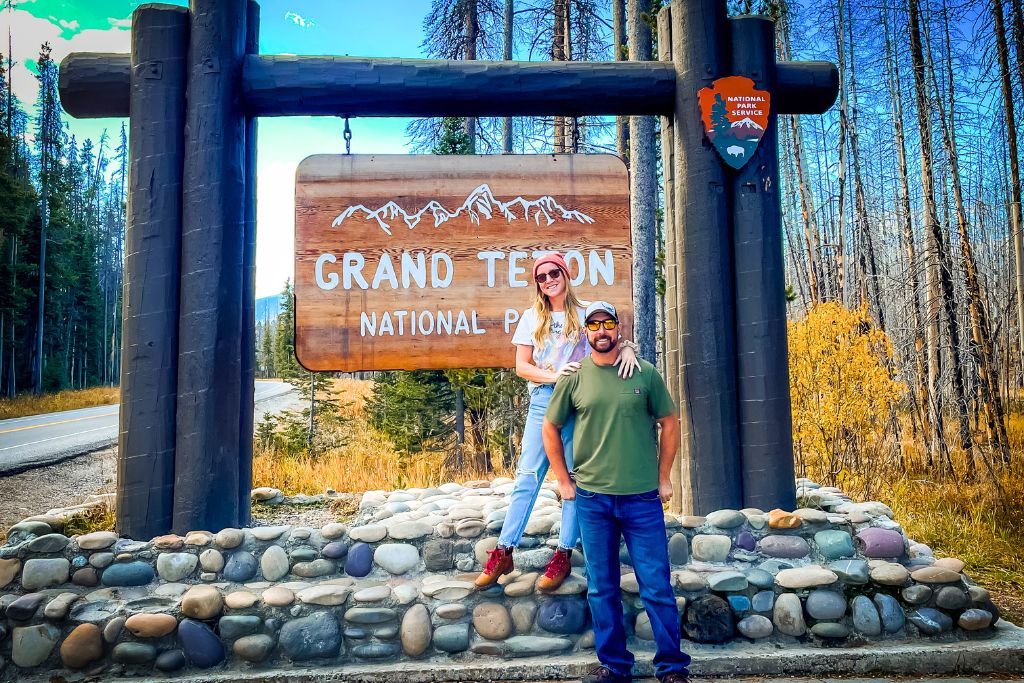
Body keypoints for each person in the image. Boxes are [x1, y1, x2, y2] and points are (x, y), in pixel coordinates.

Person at [542, 301, 690, 683]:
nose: (602, 331)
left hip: (642, 499)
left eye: (608, 323)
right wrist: (563, 479)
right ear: (586, 333)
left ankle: (671, 667)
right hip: (592, 500)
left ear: (618, 330)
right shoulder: (573, 378)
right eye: (594, 325)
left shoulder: (644, 373)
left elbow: (669, 423)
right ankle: (614, 665)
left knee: (656, 586)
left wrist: (664, 476)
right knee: (601, 586)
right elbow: (550, 428)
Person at [474, 254, 639, 591]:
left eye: (554, 272)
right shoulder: (532, 317)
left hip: (580, 401)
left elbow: (610, 335)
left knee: (574, 477)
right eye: (542, 276)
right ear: (538, 284)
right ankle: (505, 550)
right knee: (528, 475)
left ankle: (563, 553)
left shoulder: (587, 310)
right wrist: (552, 374)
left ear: (565, 274)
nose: (549, 279)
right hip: (544, 399)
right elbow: (522, 365)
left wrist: (628, 350)